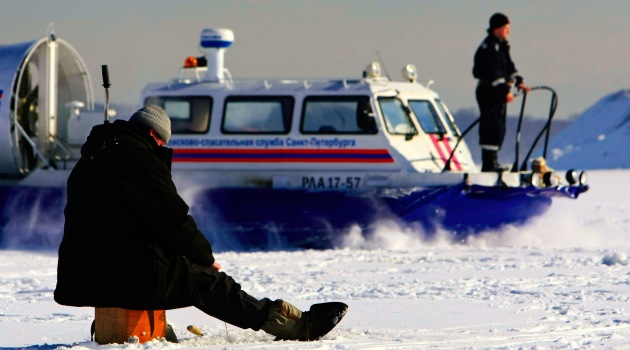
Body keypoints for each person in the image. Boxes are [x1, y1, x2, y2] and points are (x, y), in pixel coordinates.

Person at [54, 105, 347, 342]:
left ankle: (148, 329)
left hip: (82, 273)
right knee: (204, 279)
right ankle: (293, 325)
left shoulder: (90, 161)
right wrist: (204, 258)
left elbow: (126, 223)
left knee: (168, 266)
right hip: (117, 273)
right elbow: (172, 219)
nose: (161, 148)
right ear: (155, 136)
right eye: (162, 144)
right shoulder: (138, 160)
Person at [473, 13, 531, 172]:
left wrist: (519, 81)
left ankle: (494, 161)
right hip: (489, 92)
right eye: (505, 28)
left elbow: (508, 67)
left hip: (497, 93)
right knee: (492, 126)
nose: (508, 31)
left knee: (499, 127)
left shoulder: (502, 46)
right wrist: (505, 91)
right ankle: (489, 164)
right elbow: (493, 73)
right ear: (497, 29)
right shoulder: (489, 47)